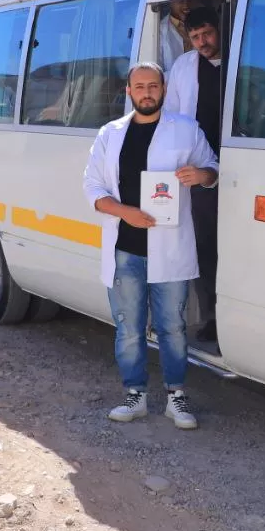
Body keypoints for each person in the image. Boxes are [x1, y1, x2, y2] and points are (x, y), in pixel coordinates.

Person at [82, 62, 219, 429]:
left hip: (169, 250)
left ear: (163, 88)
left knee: (173, 326)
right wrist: (124, 212)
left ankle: (176, 397)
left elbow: (213, 169)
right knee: (128, 327)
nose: (146, 92)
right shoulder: (110, 135)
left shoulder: (185, 130)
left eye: (153, 86)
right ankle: (135, 394)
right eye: (139, 86)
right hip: (125, 249)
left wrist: (201, 175)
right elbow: (93, 188)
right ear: (129, 91)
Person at [164, 6, 223, 342]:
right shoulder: (184, 67)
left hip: (241, 166)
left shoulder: (239, 62)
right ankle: (212, 316)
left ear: (220, 30)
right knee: (204, 245)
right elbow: (171, 117)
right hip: (198, 170)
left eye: (207, 34)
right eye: (195, 36)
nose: (202, 42)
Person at [158, 0, 192, 71]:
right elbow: (158, 72)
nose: (186, 5)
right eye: (181, 1)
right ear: (171, 3)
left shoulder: (199, 23)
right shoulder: (159, 30)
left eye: (189, 0)